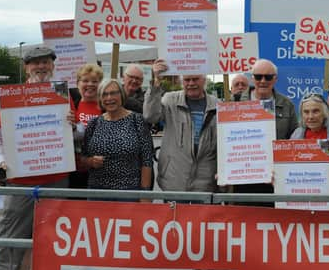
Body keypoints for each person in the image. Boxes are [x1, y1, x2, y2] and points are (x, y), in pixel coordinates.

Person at [0, 46, 70, 270]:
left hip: (56, 182)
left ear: (53, 66)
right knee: (8, 249)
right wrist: (1, 161)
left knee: (54, 248)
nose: (41, 67)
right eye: (35, 63)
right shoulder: (14, 97)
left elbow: (75, 136)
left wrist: (73, 125)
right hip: (20, 185)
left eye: (46, 62)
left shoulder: (62, 94)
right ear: (26, 68)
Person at [143, 59, 218, 192]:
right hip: (173, 181)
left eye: (195, 79)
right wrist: (155, 83)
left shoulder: (217, 105)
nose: (191, 84)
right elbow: (150, 116)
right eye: (187, 80)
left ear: (204, 80)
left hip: (205, 184)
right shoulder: (170, 99)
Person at [235, 59, 298, 204]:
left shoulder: (286, 105)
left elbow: (294, 140)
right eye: (258, 77)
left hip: (274, 179)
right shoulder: (234, 103)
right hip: (242, 179)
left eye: (268, 77)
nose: (263, 81)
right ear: (252, 78)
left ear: (275, 79)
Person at [80, 79, 153, 196]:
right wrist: (91, 161)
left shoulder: (137, 120)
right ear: (100, 99)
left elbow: (147, 160)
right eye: (104, 94)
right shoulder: (94, 123)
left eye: (114, 93)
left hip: (129, 192)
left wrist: (145, 194)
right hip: (97, 192)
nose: (109, 98)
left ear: (122, 95)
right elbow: (83, 157)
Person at [69, 63, 104, 189]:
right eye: (85, 80)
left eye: (95, 81)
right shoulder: (70, 109)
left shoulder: (108, 109)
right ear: (78, 84)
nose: (90, 84)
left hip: (101, 171)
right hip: (74, 172)